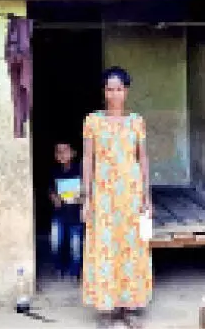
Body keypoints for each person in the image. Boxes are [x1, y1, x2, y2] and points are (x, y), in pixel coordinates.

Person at [81, 66, 152, 329]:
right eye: (109, 89)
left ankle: (129, 308)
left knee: (132, 249)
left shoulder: (136, 121)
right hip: (103, 197)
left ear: (126, 91)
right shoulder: (93, 121)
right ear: (104, 91)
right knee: (105, 249)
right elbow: (88, 158)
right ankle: (107, 309)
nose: (114, 94)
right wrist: (86, 196)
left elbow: (142, 158)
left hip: (131, 196)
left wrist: (147, 196)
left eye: (119, 89)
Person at [48, 141, 84, 280]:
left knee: (75, 246)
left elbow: (86, 190)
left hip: (76, 214)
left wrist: (82, 198)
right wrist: (53, 197)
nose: (61, 154)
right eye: (58, 151)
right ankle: (59, 268)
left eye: (65, 150)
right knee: (56, 243)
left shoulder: (80, 170)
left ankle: (74, 272)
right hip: (59, 214)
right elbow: (50, 189)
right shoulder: (54, 171)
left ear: (74, 153)